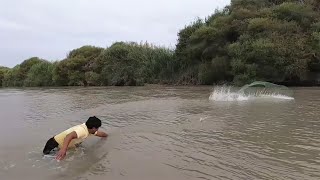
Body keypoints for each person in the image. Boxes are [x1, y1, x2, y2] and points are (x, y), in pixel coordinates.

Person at [42, 116, 108, 160]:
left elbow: (100, 134)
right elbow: (68, 136)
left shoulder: (88, 128)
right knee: (45, 160)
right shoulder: (82, 131)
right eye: (97, 128)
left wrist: (108, 136)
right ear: (93, 128)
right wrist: (63, 149)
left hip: (59, 144)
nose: (97, 130)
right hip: (53, 144)